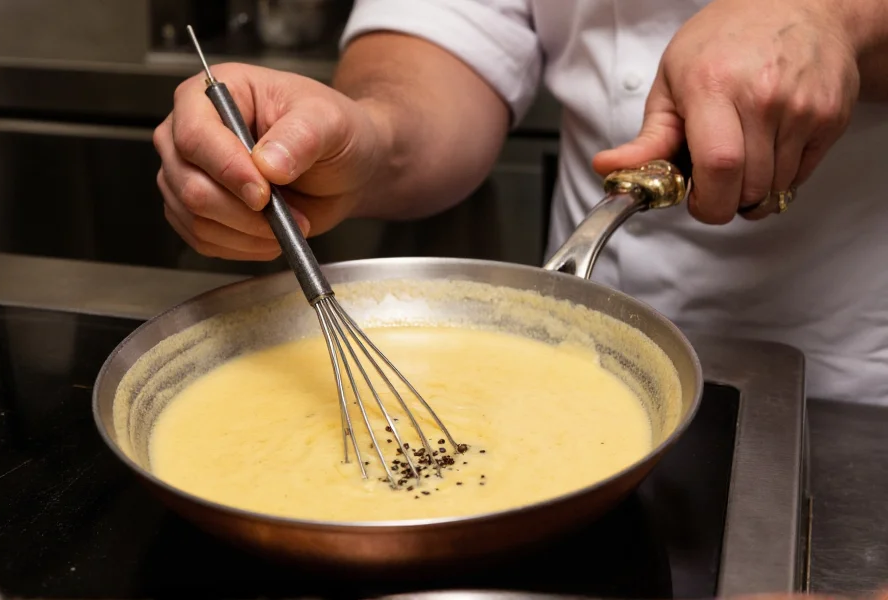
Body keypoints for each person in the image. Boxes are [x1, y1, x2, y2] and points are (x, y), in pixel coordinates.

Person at [153, 0, 888, 404]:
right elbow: (446, 39)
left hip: (853, 384)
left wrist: (838, 17)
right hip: (569, 372)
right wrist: (366, 136)